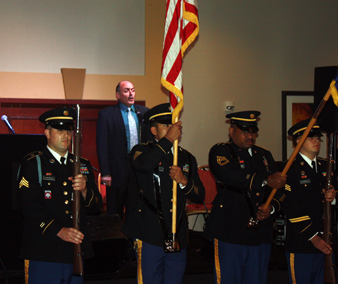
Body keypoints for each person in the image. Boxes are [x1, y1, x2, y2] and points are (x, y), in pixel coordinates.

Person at [17, 107, 102, 284]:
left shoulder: (82, 165)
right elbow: (29, 207)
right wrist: (59, 231)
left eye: (68, 130)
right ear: (47, 133)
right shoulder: (34, 163)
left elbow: (96, 207)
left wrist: (85, 190)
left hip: (75, 251)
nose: (65, 135)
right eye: (59, 130)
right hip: (45, 249)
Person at [122, 103, 205, 284]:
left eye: (173, 126)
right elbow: (143, 165)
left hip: (177, 235)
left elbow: (200, 195)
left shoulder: (186, 158)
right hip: (149, 232)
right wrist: (166, 141)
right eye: (166, 126)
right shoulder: (141, 151)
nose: (172, 130)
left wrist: (184, 181)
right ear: (153, 129)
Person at [203, 110, 286, 284]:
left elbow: (278, 190)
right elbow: (230, 175)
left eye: (253, 131)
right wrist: (265, 180)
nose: (251, 136)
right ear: (232, 131)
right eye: (245, 131)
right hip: (231, 230)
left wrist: (271, 208)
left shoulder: (263, 155)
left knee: (257, 279)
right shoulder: (221, 151)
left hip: (260, 233)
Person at [282, 119, 337, 284]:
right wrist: (313, 237)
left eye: (317, 138)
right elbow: (290, 207)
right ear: (298, 141)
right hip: (302, 242)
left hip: (326, 240)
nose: (316, 141)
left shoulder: (326, 166)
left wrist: (333, 198)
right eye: (310, 137)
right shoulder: (289, 169)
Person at [96, 81, 150, 219]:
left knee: (136, 210)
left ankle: (134, 240)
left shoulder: (144, 113)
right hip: (116, 171)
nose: (131, 93)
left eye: (133, 90)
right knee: (115, 212)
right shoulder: (106, 114)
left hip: (138, 169)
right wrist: (106, 173)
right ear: (118, 95)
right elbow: (102, 146)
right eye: (126, 91)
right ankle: (116, 240)